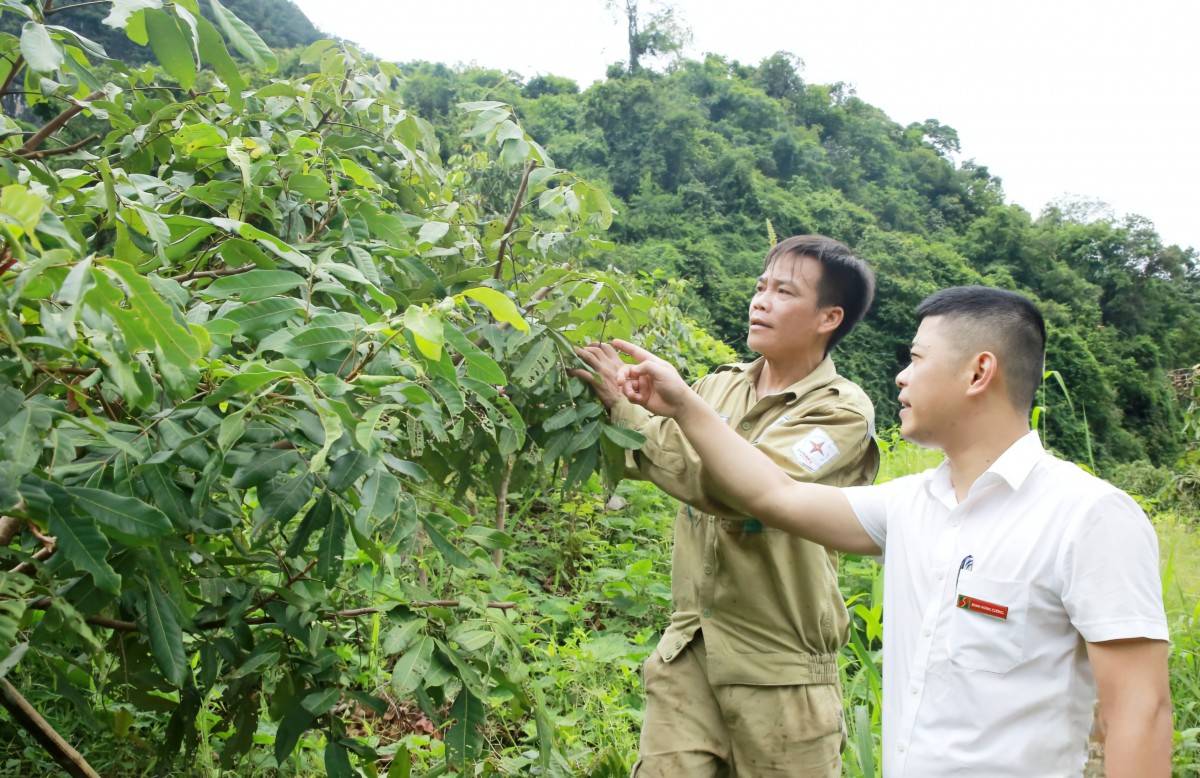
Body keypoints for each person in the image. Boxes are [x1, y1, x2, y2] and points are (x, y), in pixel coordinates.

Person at [609, 286, 1172, 778]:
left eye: (917, 358)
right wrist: (681, 404)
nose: (901, 375)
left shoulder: (1087, 514)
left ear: (979, 372)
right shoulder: (910, 506)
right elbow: (773, 495)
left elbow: (1138, 713)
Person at [573, 235, 879, 776]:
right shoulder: (719, 388)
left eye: (783, 291)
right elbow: (642, 453)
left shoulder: (840, 412)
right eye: (760, 286)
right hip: (689, 650)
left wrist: (640, 411)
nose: (760, 300)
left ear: (829, 316)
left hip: (784, 670)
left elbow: (742, 490)